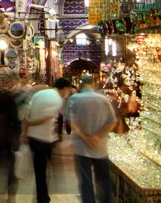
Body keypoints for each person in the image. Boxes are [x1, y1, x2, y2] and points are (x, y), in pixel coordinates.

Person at [65, 74, 118, 203]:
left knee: (86, 181)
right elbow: (112, 121)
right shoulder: (103, 99)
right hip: (100, 147)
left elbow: (71, 123)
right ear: (93, 84)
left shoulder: (74, 99)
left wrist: (85, 138)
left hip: (82, 148)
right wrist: (97, 137)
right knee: (103, 179)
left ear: (81, 85)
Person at [21, 77, 72, 203]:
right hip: (45, 139)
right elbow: (45, 118)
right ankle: (43, 198)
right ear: (64, 88)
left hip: (34, 138)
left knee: (40, 170)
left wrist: (25, 131)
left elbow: (27, 112)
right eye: (68, 90)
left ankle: (42, 196)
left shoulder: (40, 94)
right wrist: (31, 124)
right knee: (44, 170)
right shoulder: (57, 99)